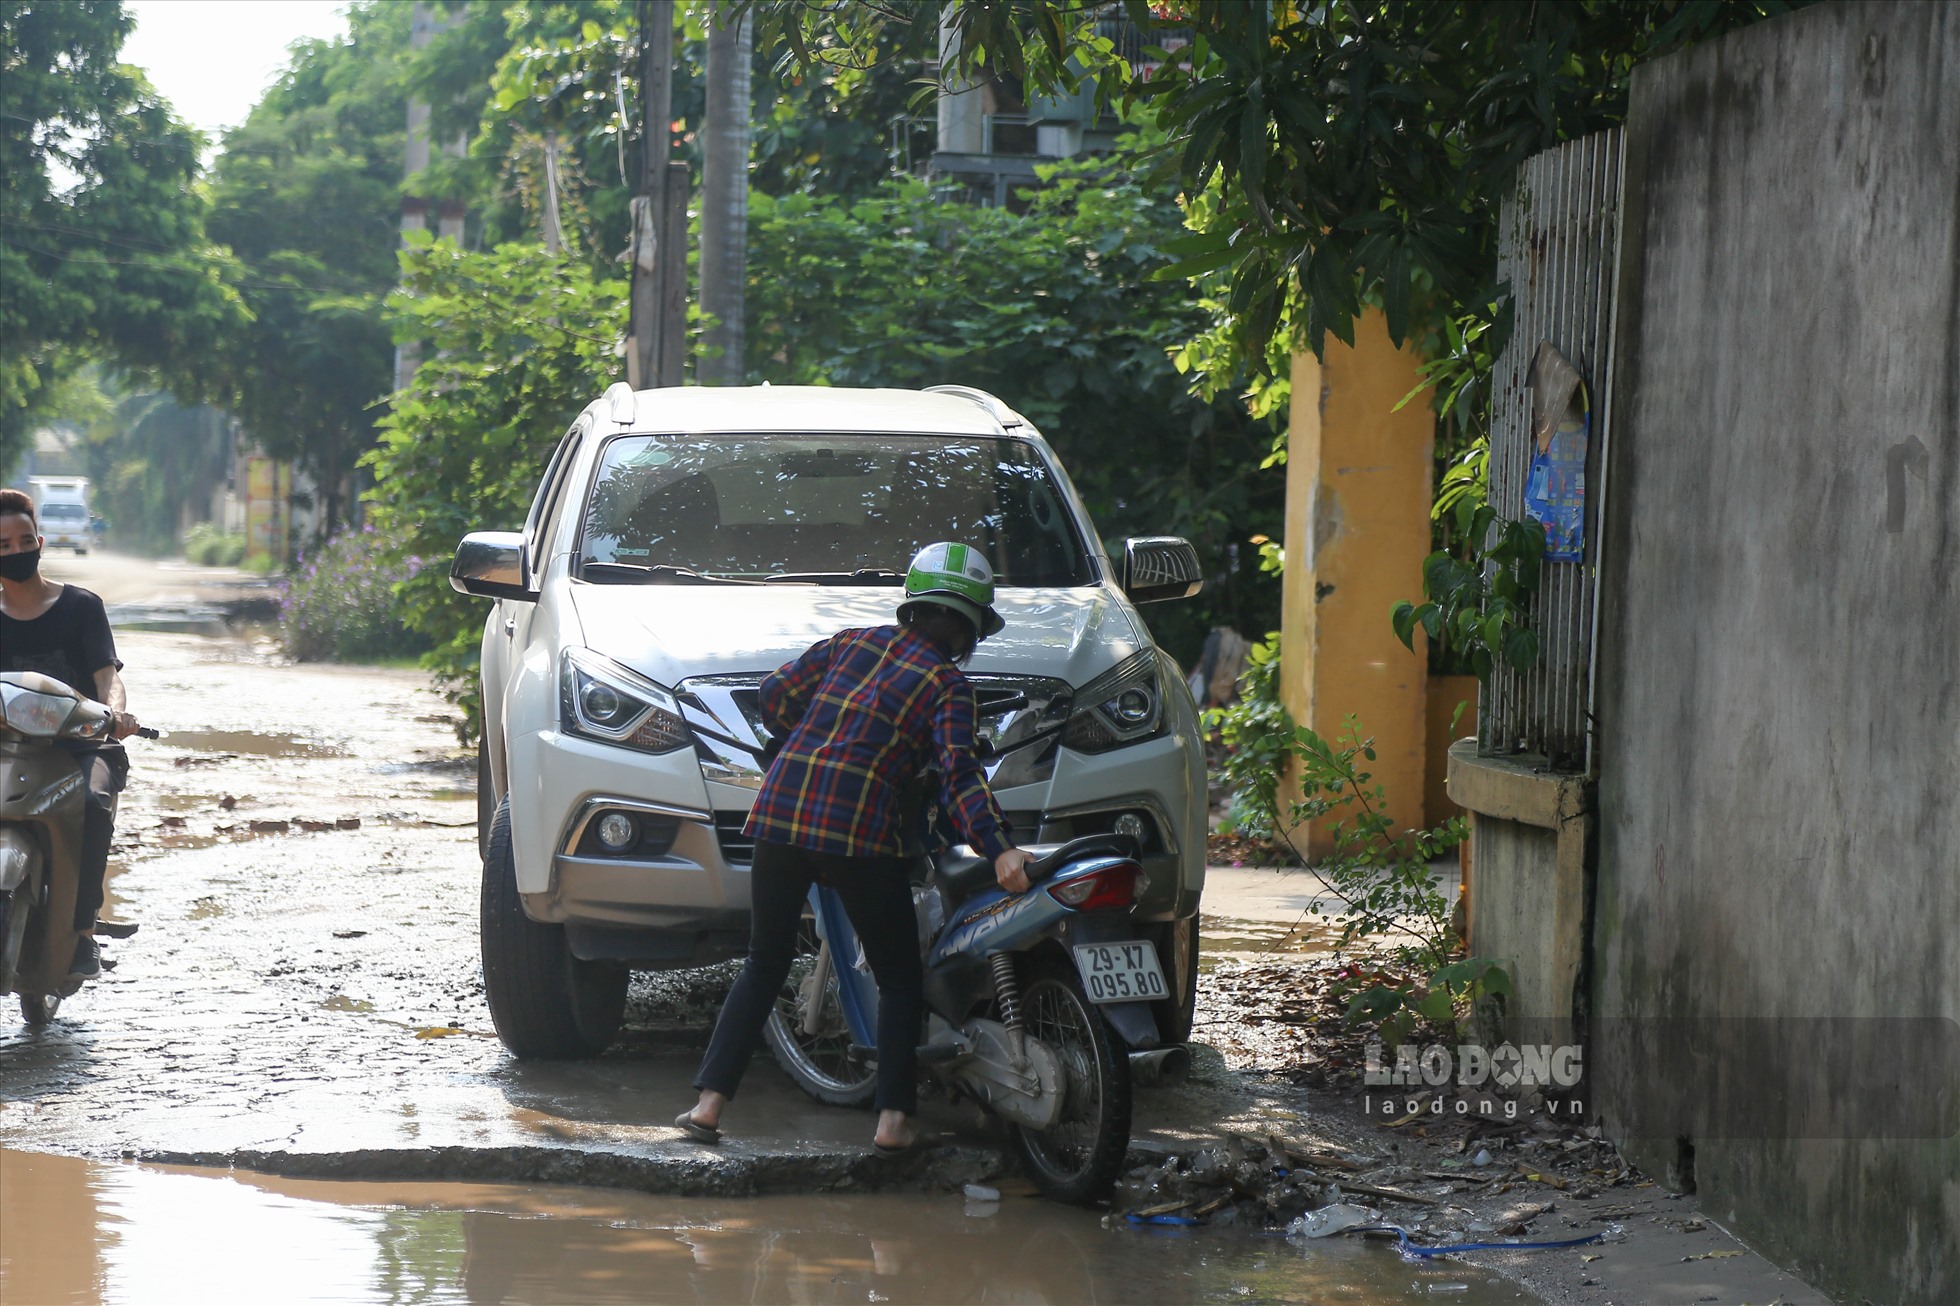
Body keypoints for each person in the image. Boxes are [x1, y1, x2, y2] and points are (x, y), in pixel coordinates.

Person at [679, 542, 1033, 1154]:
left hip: (781, 813)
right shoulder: (948, 686)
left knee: (764, 963)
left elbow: (774, 694)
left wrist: (808, 740)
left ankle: (708, 1107)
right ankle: (893, 1122)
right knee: (899, 977)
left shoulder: (849, 644)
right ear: (967, 626)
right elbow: (958, 775)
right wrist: (999, 847)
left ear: (913, 606)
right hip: (856, 830)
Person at [0, 487, 142, 978]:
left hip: (83, 744)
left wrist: (116, 715)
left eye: (23, 541)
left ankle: (81, 931)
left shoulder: (81, 606)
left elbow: (108, 677)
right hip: (8, 749)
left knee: (93, 804)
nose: (16, 552)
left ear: (39, 541)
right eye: (3, 545)